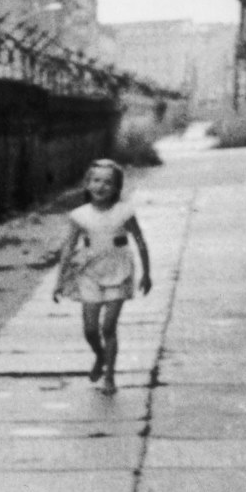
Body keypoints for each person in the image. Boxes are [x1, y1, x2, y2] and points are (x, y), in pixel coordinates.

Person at [52, 158, 153, 395]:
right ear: (87, 184)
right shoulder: (79, 215)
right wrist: (60, 279)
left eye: (108, 182)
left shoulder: (124, 212)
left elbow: (140, 241)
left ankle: (110, 377)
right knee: (89, 329)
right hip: (89, 273)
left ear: (117, 187)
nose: (101, 186)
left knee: (108, 327)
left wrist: (147, 274)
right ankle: (100, 356)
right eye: (96, 180)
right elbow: (68, 247)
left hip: (119, 271)